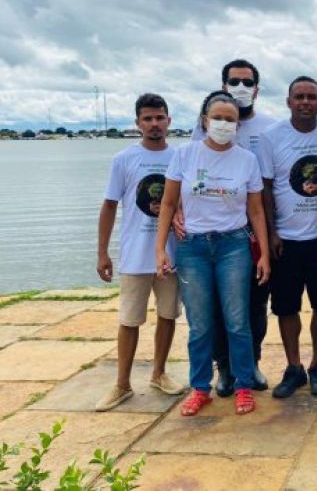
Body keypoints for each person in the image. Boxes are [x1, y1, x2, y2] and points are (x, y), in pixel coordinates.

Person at [156, 91, 270, 416]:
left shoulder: (246, 160)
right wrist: (160, 249)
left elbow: (256, 210)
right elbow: (168, 203)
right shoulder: (185, 154)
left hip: (233, 245)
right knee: (200, 323)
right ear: (205, 121)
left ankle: (243, 384)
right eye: (217, 118)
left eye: (229, 119)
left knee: (237, 321)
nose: (223, 124)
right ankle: (200, 387)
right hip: (192, 247)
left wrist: (263, 254)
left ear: (237, 125)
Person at [181, 59, 276, 396]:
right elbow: (186, 176)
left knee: (254, 305)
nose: (241, 88)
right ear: (223, 86)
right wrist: (177, 210)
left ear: (257, 89)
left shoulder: (270, 127)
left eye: (247, 82)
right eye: (234, 81)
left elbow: (269, 185)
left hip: (251, 230)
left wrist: (269, 238)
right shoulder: (202, 129)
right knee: (216, 310)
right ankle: (224, 368)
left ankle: (251, 364)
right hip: (211, 233)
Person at [95, 93, 184, 411]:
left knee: (168, 315)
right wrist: (103, 253)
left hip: (172, 253)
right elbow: (109, 205)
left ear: (169, 121)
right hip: (135, 253)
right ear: (138, 123)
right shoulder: (124, 159)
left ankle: (159, 373)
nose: (154, 123)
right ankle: (122, 383)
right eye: (148, 118)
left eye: (159, 117)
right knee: (129, 319)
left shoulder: (180, 156)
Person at [258, 76, 317, 399]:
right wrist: (272, 231)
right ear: (288, 101)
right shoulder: (271, 137)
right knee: (286, 307)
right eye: (299, 97)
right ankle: (294, 367)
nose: (306, 102)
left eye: (312, 97)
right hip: (286, 240)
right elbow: (265, 187)